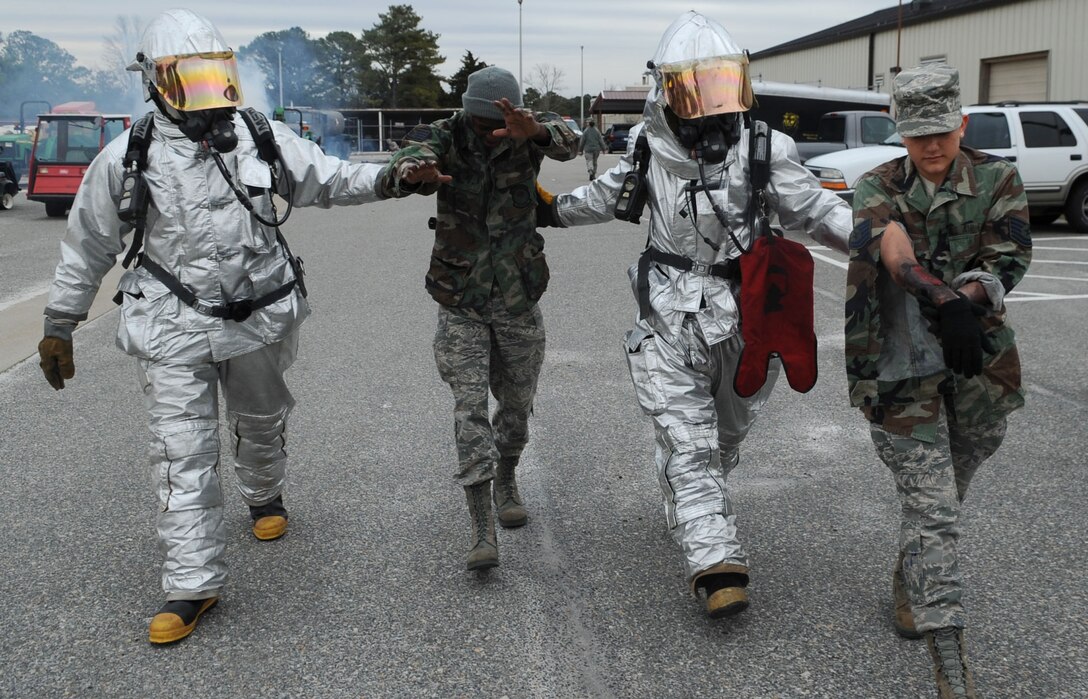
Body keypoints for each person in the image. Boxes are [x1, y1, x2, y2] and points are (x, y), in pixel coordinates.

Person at [36, 9, 389, 645]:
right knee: (181, 450)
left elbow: (330, 176)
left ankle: (265, 494)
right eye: (187, 80)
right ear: (154, 83)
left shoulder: (259, 137)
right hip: (170, 324)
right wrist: (61, 319)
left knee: (260, 421)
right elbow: (87, 243)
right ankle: (192, 582)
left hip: (257, 317)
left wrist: (396, 176)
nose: (204, 95)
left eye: (211, 78)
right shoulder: (127, 157)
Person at [542, 11, 853, 618]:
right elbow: (606, 198)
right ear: (665, 93)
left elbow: (817, 210)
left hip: (746, 319)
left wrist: (879, 242)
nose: (709, 107)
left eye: (719, 87)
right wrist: (547, 209)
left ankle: (688, 500)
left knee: (727, 437)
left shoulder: (766, 149)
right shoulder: (644, 151)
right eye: (694, 90)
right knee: (690, 439)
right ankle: (716, 563)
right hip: (666, 313)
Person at [845, 64, 1030, 699]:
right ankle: (952, 670)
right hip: (900, 370)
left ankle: (911, 569)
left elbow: (1011, 254)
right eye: (917, 134)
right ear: (899, 131)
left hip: (977, 362)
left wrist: (968, 300)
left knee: (949, 490)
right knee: (936, 510)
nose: (930, 147)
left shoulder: (998, 176)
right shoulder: (876, 184)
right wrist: (937, 295)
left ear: (962, 123)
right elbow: (892, 249)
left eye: (942, 133)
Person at [378, 66, 578, 571]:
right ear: (468, 108)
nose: (492, 130)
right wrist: (413, 171)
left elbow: (571, 140)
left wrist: (534, 132)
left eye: (501, 120)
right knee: (468, 409)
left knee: (516, 405)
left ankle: (507, 478)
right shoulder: (446, 134)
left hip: (516, 295)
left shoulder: (530, 129)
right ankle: (480, 526)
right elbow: (409, 155)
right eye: (483, 119)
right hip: (461, 297)